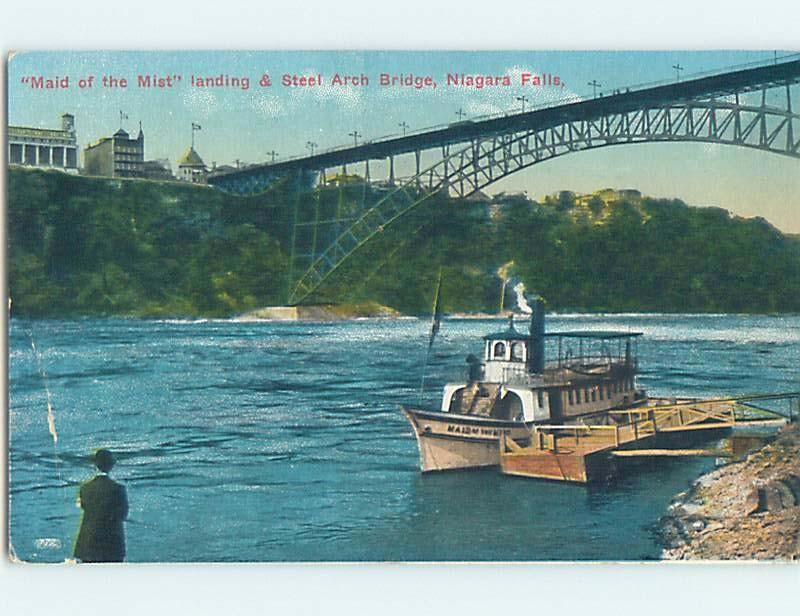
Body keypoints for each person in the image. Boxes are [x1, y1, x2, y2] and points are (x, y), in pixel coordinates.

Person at [73, 448, 128, 563]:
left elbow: (84, 507)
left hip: (88, 544)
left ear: (95, 465)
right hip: (112, 545)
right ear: (111, 465)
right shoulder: (119, 489)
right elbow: (123, 514)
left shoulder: (85, 488)